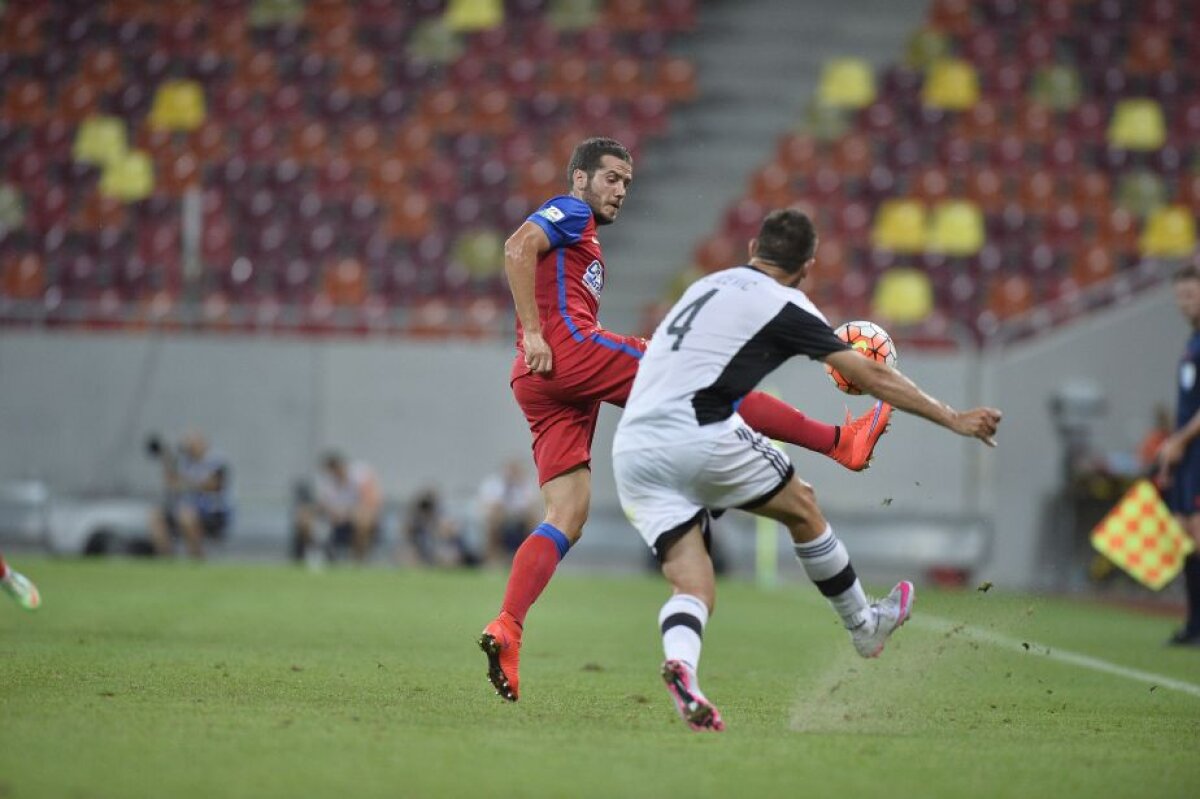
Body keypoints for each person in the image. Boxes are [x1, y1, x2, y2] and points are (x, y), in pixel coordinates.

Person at [478, 137, 894, 702]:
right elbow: (516, 246)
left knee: (567, 514)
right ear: (579, 178)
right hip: (565, 351)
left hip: (539, 383)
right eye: (610, 178)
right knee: (706, 378)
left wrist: (534, 340)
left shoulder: (585, 236)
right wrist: (532, 331)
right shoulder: (571, 210)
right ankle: (840, 442)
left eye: (626, 181)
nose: (620, 190)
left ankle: (508, 624)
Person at [612, 208, 1002, 731]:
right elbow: (871, 374)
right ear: (808, 267)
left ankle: (684, 668)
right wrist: (953, 417)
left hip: (632, 448)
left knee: (693, 584)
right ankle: (866, 625)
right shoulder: (787, 305)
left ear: (754, 245)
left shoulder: (707, 284)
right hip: (697, 432)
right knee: (803, 504)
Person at [1155, 265, 1200, 647]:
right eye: (1180, 296)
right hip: (1187, 452)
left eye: (1191, 295)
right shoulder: (1192, 341)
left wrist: (1181, 440)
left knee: (1197, 533)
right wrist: (1174, 447)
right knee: (1186, 534)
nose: (1184, 303)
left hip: (1197, 449)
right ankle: (1193, 625)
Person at [147, 432, 232, 559]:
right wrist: (167, 460)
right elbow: (171, 484)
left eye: (193, 444)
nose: (190, 448)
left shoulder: (216, 461)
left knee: (186, 516)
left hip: (212, 512)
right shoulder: (184, 463)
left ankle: (197, 558)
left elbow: (213, 485)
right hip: (185, 510)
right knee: (155, 516)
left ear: (203, 444)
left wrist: (185, 483)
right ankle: (166, 560)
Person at [293, 452, 383, 564]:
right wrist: (331, 512)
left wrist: (347, 513)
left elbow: (371, 501)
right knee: (303, 515)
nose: (335, 474)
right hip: (332, 518)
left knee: (363, 517)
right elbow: (321, 505)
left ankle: (359, 561)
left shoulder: (360, 475)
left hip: (354, 517)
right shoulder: (326, 481)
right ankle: (311, 556)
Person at [477, 459, 539, 564]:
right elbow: (488, 505)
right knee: (493, 519)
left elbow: (530, 506)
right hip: (500, 519)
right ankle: (493, 559)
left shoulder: (526, 486)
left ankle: (529, 558)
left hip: (520, 519)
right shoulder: (493, 484)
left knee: (531, 519)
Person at [402, 488, 481, 568]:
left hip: (444, 551)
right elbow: (407, 535)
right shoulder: (417, 524)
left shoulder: (441, 519)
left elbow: (451, 535)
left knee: (448, 556)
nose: (426, 512)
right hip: (427, 553)